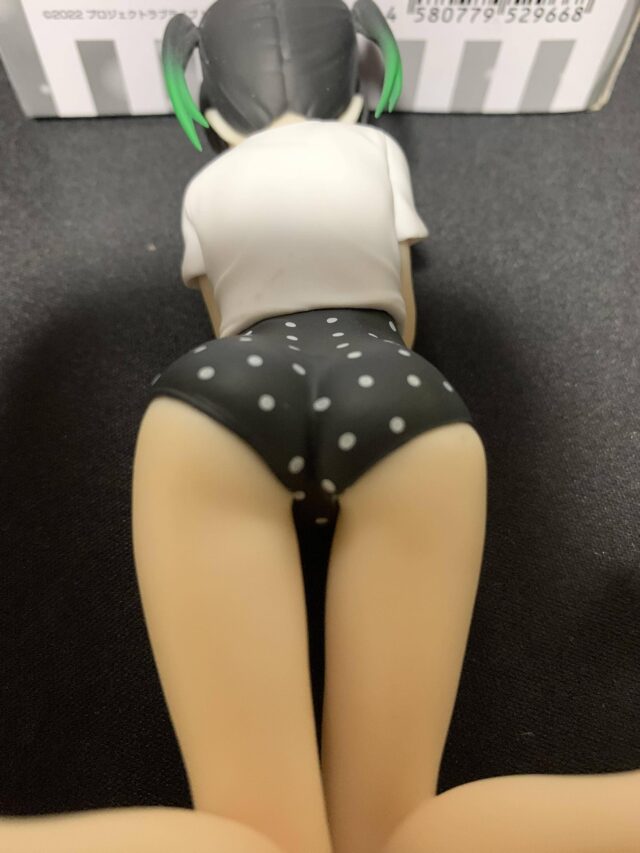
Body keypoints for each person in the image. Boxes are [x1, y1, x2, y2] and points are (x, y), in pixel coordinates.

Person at [2, 1, 637, 852]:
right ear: (355, 89)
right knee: (393, 829)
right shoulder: (376, 153)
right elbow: (400, 305)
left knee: (256, 829)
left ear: (211, 109)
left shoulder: (207, 185)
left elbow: (222, 313)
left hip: (225, 387)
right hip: (392, 385)